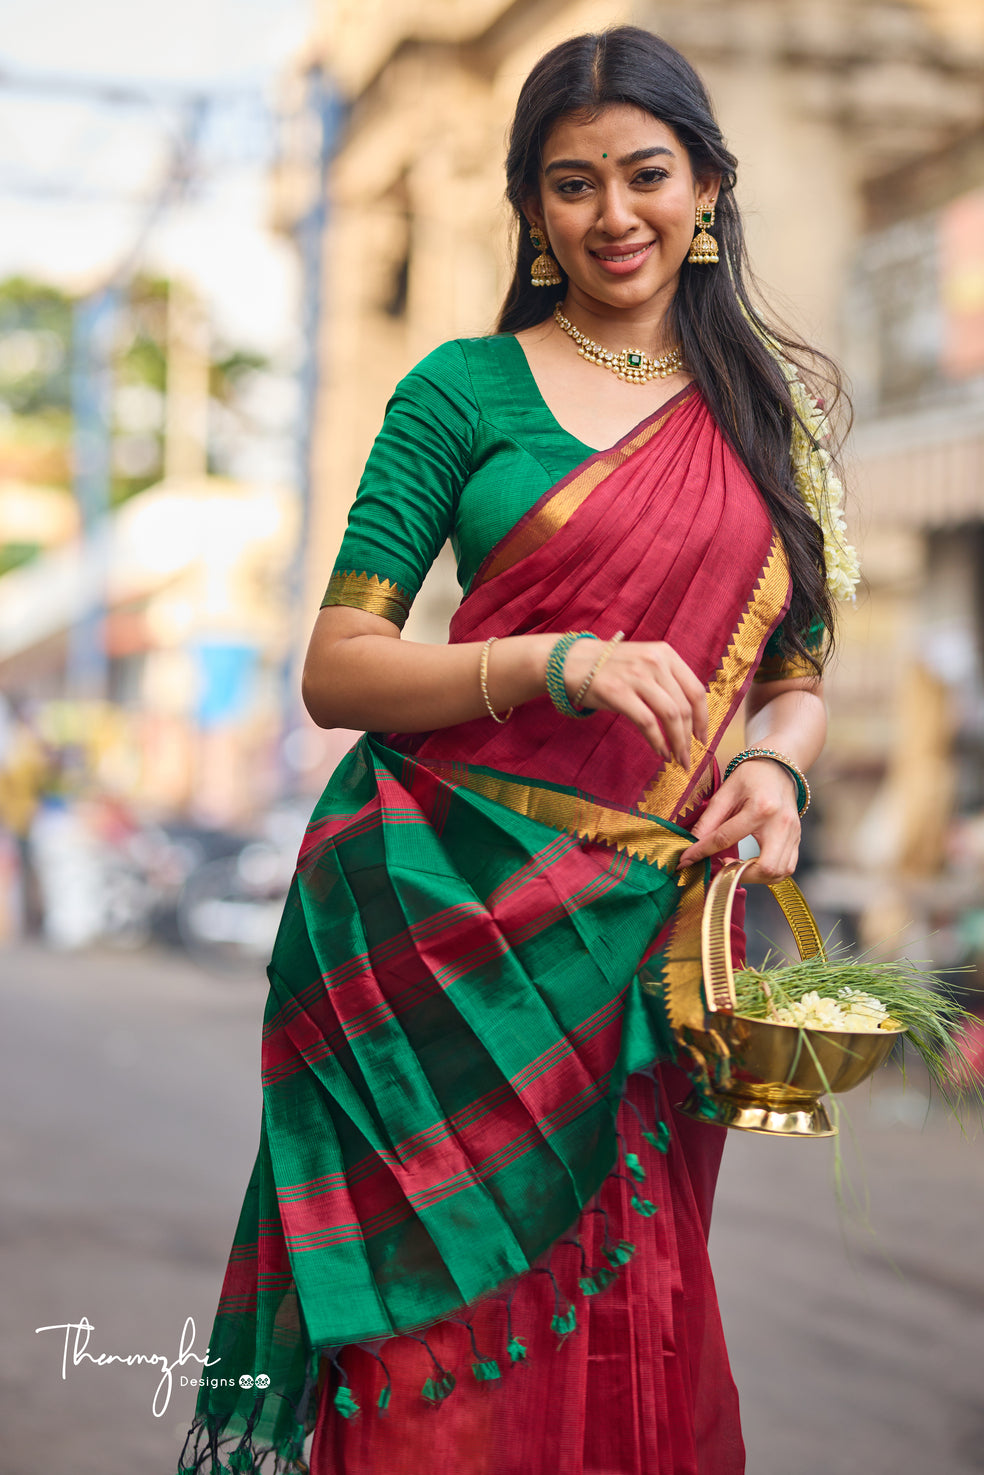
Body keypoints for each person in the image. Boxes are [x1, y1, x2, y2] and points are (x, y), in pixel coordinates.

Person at [177, 25, 858, 1475]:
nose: (615, 214)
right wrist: (553, 661)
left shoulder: (767, 414)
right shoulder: (462, 392)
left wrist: (778, 767)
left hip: (636, 956)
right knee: (430, 1359)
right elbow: (337, 667)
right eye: (572, 185)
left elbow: (798, 669)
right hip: (428, 930)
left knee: (627, 1314)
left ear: (710, 187)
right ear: (531, 211)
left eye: (647, 175)